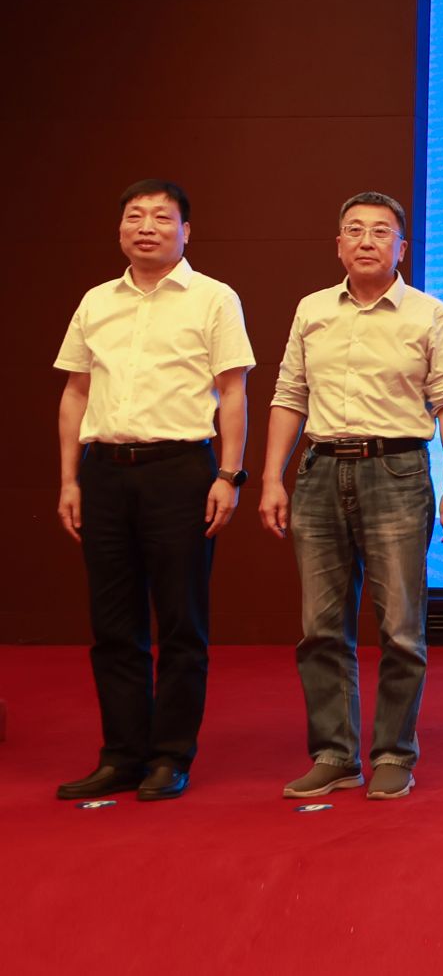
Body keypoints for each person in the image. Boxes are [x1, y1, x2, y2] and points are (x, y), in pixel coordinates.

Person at [259, 191, 443, 802]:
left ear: (401, 247)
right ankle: (334, 754)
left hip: (397, 470)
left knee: (401, 628)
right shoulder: (312, 310)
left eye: (381, 231)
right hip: (320, 470)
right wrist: (271, 477)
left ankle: (394, 753)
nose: (367, 240)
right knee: (320, 628)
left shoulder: (429, 314)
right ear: (339, 245)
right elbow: (289, 395)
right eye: (355, 230)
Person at [52, 180, 254, 802]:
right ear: (120, 230)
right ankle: (121, 754)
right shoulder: (96, 301)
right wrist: (69, 479)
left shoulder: (214, 298)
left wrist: (228, 474)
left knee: (181, 621)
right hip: (105, 472)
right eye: (135, 217)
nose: (147, 227)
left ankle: (170, 755)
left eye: (162, 218)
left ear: (185, 231)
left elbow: (233, 391)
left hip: (180, 471)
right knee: (113, 624)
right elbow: (76, 393)